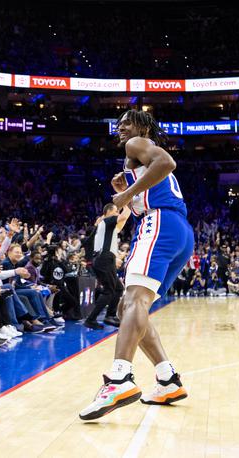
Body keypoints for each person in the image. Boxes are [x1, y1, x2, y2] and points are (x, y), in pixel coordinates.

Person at [80, 109, 193, 421]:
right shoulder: (137, 158)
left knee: (133, 301)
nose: (120, 129)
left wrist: (125, 194)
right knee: (127, 308)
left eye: (126, 123)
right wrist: (127, 189)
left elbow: (167, 162)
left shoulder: (136, 145)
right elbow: (152, 184)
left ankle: (119, 378)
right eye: (117, 124)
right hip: (179, 230)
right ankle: (167, 378)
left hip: (159, 222)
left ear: (142, 127)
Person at [85, 203, 129, 329]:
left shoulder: (105, 226)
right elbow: (124, 216)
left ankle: (110, 315)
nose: (117, 213)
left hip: (102, 259)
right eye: (116, 211)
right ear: (108, 212)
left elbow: (123, 220)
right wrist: (127, 201)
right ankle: (91, 319)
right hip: (104, 259)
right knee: (109, 290)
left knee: (118, 288)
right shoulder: (107, 220)